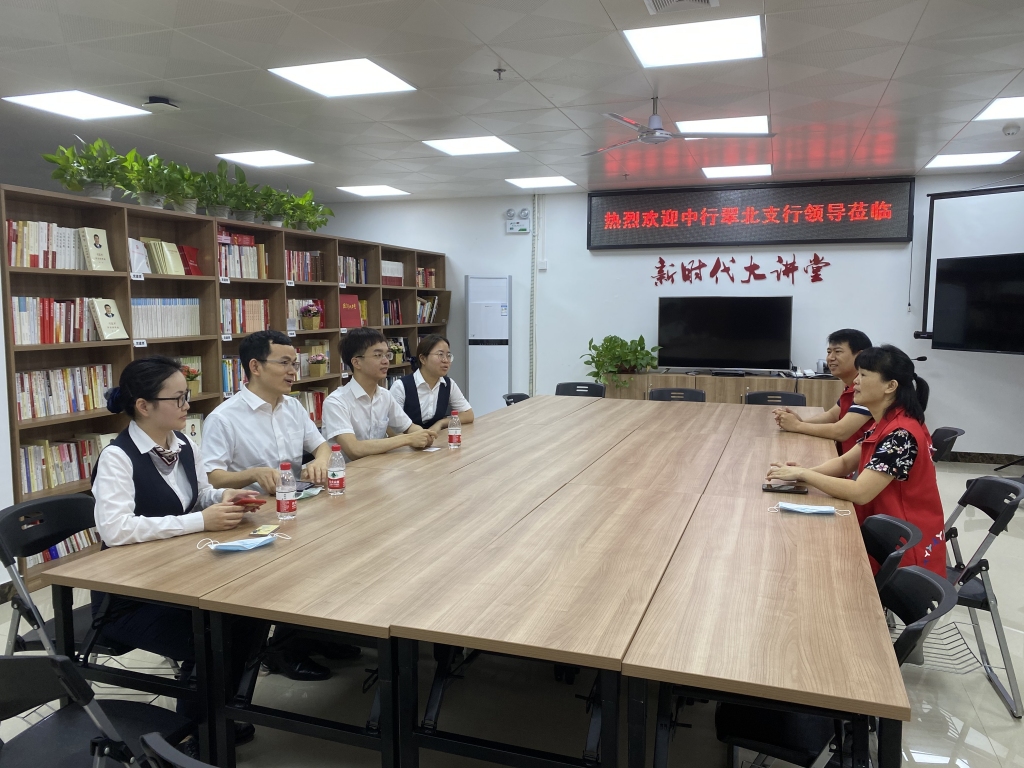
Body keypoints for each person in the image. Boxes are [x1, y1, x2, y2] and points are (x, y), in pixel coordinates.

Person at [90, 356, 265, 755]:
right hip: (129, 598)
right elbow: (116, 530)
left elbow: (198, 495)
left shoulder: (183, 444)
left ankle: (219, 715)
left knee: (249, 618)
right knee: (215, 635)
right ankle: (199, 735)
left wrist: (225, 497)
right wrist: (200, 522)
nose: (188, 405)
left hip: (178, 576)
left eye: (187, 396)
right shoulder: (118, 457)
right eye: (179, 398)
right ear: (144, 406)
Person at [203, 330, 349, 680]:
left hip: (296, 507)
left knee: (339, 550)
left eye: (294, 363)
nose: (293, 371)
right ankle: (283, 650)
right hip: (253, 519)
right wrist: (251, 474)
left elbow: (322, 445)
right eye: (284, 363)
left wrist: (320, 462)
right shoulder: (224, 418)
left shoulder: (292, 407)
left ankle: (315, 634)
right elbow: (211, 477)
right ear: (255, 366)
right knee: (295, 571)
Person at [766, 345, 945, 576]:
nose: (856, 382)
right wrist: (805, 473)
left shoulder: (901, 434)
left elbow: (860, 492)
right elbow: (844, 463)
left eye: (864, 375)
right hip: (884, 533)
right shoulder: (887, 421)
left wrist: (804, 475)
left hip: (904, 549)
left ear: (890, 386)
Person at [322, 327, 435, 460]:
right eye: (378, 355)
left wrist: (423, 435)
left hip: (378, 467)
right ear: (356, 362)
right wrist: (408, 439)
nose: (386, 361)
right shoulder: (336, 402)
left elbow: (409, 427)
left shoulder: (385, 395)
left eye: (387, 355)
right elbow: (354, 449)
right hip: (348, 471)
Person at [774, 328, 873, 454]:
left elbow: (841, 431)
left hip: (862, 463)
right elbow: (832, 415)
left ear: (860, 356)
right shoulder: (851, 385)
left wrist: (797, 426)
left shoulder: (868, 388)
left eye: (838, 351)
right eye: (829, 352)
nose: (830, 358)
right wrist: (800, 422)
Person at [390, 334, 474, 435]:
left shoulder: (448, 384)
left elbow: (468, 414)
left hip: (436, 440)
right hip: (407, 442)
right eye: (440, 355)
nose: (446, 360)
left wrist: (441, 423)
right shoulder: (401, 386)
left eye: (448, 355)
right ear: (423, 359)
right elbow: (391, 428)